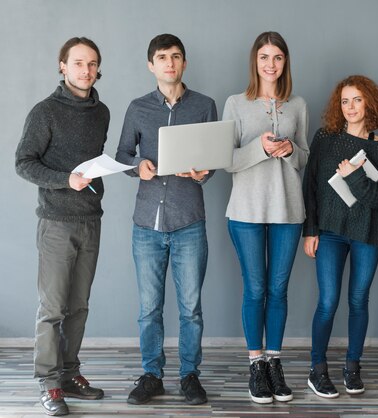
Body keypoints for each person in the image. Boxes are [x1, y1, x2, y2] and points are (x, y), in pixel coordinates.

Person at [115, 33, 217, 406]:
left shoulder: (205, 105)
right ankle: (151, 375)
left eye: (176, 56)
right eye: (162, 57)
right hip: (147, 223)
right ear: (151, 65)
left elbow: (214, 160)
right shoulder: (138, 108)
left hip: (189, 219)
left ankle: (190, 375)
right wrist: (135, 166)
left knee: (191, 308)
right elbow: (123, 154)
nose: (170, 63)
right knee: (148, 309)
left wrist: (204, 173)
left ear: (184, 63)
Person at [15, 37, 109, 416]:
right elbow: (24, 163)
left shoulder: (101, 112)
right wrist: (64, 180)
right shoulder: (45, 112)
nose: (85, 70)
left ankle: (70, 373)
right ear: (63, 66)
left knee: (79, 307)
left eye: (92, 64)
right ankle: (49, 384)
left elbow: (97, 161)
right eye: (78, 63)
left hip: (91, 220)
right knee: (52, 308)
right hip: (55, 222)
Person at [223, 31, 309, 404]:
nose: (270, 64)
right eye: (264, 57)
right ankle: (256, 363)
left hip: (288, 210)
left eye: (277, 57)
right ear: (254, 61)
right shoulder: (236, 103)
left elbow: (305, 157)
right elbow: (227, 161)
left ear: (285, 62)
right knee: (255, 289)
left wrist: (290, 150)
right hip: (246, 211)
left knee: (278, 290)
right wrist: (259, 147)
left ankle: (275, 361)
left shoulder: (298, 105)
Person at [302, 75, 378, 398]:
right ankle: (317, 369)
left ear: (368, 101)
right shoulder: (325, 138)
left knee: (359, 301)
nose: (350, 107)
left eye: (356, 100)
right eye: (344, 101)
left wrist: (354, 177)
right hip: (328, 232)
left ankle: (352, 367)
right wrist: (309, 230)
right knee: (327, 302)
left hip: (367, 232)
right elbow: (310, 186)